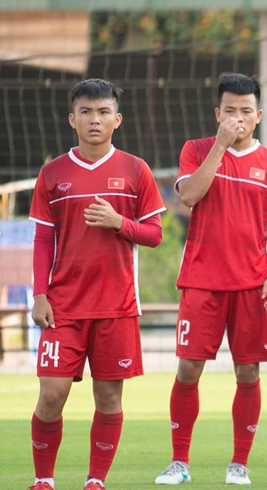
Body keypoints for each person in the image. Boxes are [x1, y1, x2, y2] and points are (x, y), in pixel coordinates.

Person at [154, 73, 267, 486]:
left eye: (246, 110)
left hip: (252, 286)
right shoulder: (196, 149)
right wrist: (220, 146)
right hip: (201, 281)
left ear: (259, 115)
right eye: (230, 110)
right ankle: (179, 462)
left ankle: (239, 464)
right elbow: (188, 196)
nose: (238, 118)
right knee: (188, 370)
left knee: (248, 373)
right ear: (218, 114)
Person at [27, 78, 165, 490]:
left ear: (117, 120)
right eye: (86, 112)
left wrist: (119, 222)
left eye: (104, 112)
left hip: (116, 307)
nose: (95, 119)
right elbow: (43, 238)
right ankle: (43, 480)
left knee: (108, 399)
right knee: (51, 395)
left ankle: (95, 481)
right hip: (63, 307)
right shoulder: (52, 173)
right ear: (72, 119)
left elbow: (154, 234)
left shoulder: (136, 170)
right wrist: (39, 294)